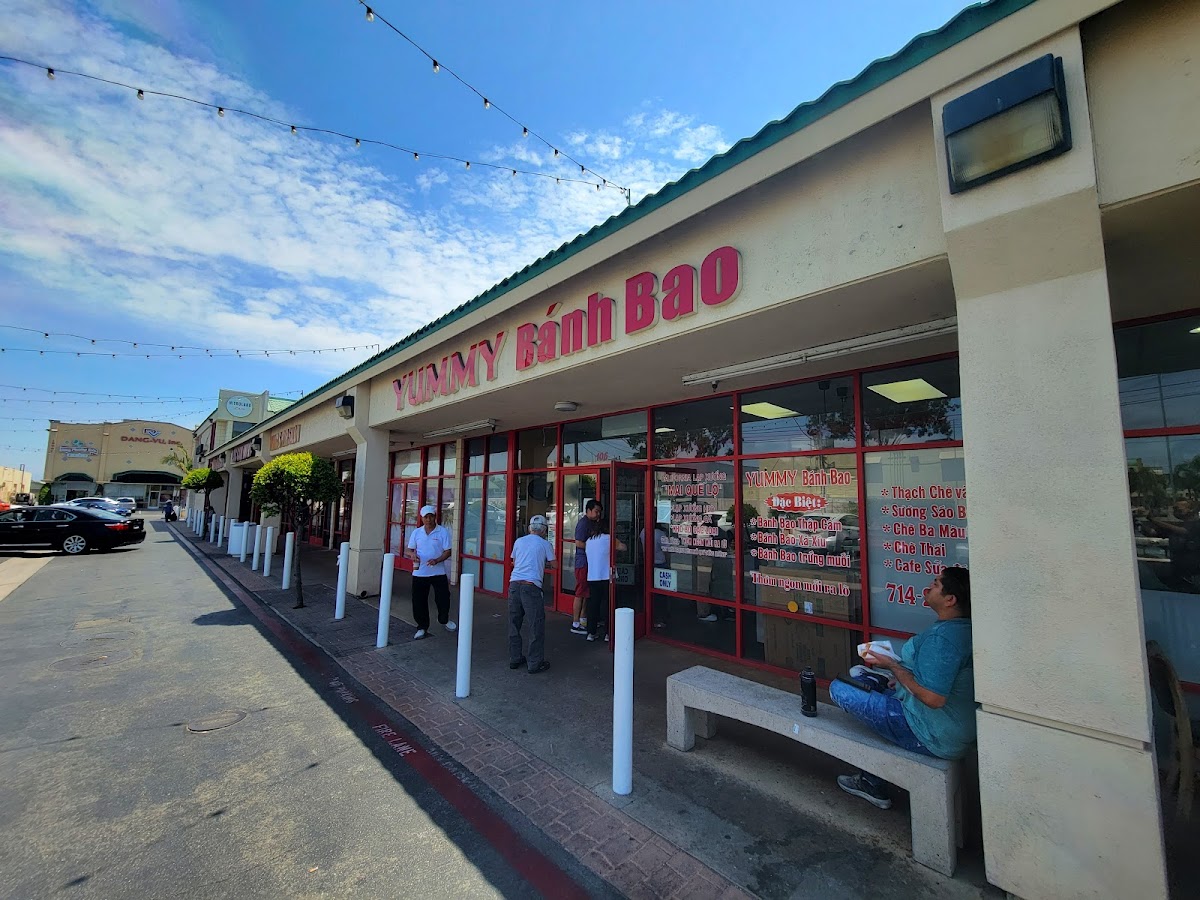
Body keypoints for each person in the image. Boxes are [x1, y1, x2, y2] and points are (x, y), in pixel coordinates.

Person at [830, 566, 975, 809]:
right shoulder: (960, 629)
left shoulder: (944, 639)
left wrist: (892, 666)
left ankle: (871, 781)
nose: (929, 587)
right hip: (940, 723)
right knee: (857, 676)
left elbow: (934, 698)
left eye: (936, 584)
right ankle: (879, 684)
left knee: (839, 689)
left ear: (950, 600)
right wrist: (899, 675)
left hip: (929, 731)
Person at [507, 514, 555, 674]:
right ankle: (534, 662)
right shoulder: (545, 544)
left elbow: (513, 561)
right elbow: (554, 564)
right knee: (536, 624)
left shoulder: (519, 541)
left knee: (514, 623)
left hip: (514, 585)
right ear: (544, 530)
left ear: (529, 528)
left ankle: (515, 658)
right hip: (531, 587)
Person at [405, 505, 456, 640]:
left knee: (443, 598)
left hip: (438, 572)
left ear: (435, 517)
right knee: (419, 601)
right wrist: (412, 555)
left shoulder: (442, 532)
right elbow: (409, 550)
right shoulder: (416, 533)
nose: (428, 519)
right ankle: (422, 626)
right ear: (421, 518)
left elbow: (447, 551)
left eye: (431, 516)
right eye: (426, 517)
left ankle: (444, 619)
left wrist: (437, 560)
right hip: (420, 573)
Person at [584, 522, 626, 643]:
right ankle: (609, 633)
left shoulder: (589, 541)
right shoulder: (609, 539)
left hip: (592, 577)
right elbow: (623, 547)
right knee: (610, 605)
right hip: (608, 577)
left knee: (593, 606)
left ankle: (591, 633)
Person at [571, 500, 603, 635]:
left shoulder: (593, 523)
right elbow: (578, 542)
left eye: (599, 512)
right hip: (583, 562)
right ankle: (576, 623)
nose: (598, 514)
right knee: (580, 592)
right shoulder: (583, 524)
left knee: (587, 593)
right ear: (588, 511)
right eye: (596, 511)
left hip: (590, 562)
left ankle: (584, 620)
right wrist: (594, 548)